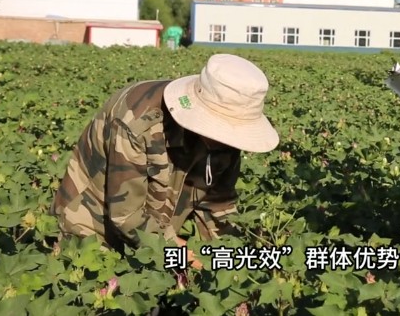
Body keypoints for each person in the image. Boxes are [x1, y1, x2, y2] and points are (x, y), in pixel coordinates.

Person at [49, 54, 280, 268]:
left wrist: (231, 260)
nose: (228, 140)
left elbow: (218, 206)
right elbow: (126, 216)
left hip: (160, 230)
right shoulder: (136, 122)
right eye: (225, 128)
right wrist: (187, 257)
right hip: (92, 226)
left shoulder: (226, 145)